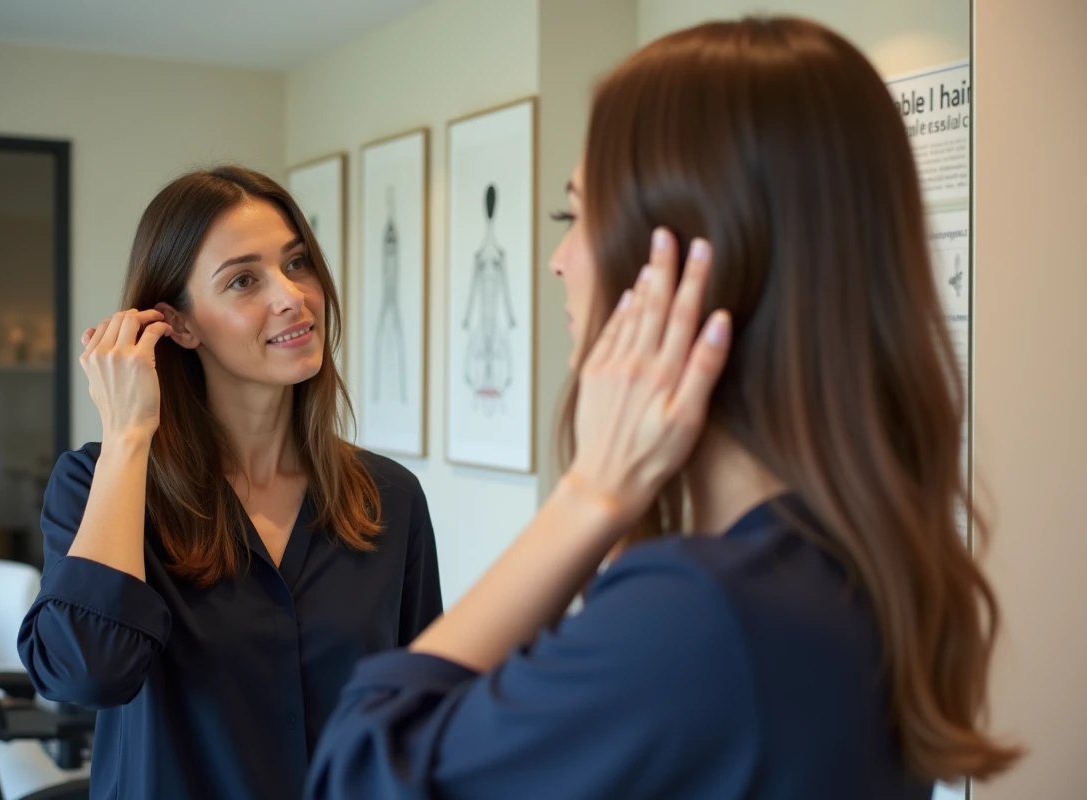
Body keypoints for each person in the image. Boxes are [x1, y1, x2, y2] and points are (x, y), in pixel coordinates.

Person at [305, 16, 1021, 799]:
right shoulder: (854, 571)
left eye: (577, 216)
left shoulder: (706, 617)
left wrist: (589, 497)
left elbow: (361, 770)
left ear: (681, 262)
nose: (558, 258)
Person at [17, 166, 443, 800]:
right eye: (244, 280)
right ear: (178, 325)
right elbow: (87, 674)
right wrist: (129, 437)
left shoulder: (389, 497)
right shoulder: (94, 483)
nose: (291, 296)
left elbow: (421, 711)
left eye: (297, 264)